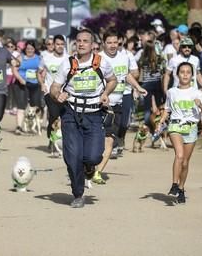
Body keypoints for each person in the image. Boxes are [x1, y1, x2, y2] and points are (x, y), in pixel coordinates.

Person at [50, 29, 117, 208]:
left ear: (93, 45)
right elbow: (54, 87)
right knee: (72, 157)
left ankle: (89, 167)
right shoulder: (68, 64)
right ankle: (78, 193)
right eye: (78, 41)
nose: (81, 44)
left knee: (94, 156)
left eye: (85, 41)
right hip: (71, 113)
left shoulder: (101, 63)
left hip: (94, 115)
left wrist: (105, 93)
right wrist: (58, 95)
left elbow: (112, 80)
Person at [92, 31, 146, 185]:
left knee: (110, 140)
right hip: (100, 104)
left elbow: (126, 74)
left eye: (115, 42)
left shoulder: (124, 56)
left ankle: (97, 172)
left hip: (118, 104)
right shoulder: (98, 59)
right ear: (103, 43)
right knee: (96, 139)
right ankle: (89, 164)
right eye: (109, 42)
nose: (113, 45)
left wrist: (137, 86)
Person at [156, 62, 202, 204]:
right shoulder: (172, 92)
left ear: (192, 75)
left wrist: (200, 105)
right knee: (179, 155)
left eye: (188, 72)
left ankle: (181, 188)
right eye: (182, 72)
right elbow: (167, 109)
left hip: (191, 128)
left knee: (185, 163)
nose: (185, 74)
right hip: (175, 126)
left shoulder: (197, 93)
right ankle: (174, 185)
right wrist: (161, 122)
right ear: (177, 74)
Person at [40, 35, 68, 147]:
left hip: (65, 93)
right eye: (58, 44)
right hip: (50, 93)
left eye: (62, 44)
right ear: (53, 45)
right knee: (54, 116)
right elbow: (39, 72)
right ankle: (52, 140)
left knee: (65, 119)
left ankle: (64, 141)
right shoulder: (46, 58)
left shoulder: (69, 58)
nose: (60, 46)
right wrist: (42, 84)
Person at [12, 40, 44, 135]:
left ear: (35, 49)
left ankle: (32, 126)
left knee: (35, 106)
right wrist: (20, 79)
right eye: (28, 48)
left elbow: (42, 70)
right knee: (21, 106)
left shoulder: (39, 58)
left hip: (35, 84)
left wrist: (42, 80)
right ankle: (19, 127)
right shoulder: (20, 58)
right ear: (25, 49)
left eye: (31, 49)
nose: (29, 50)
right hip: (21, 84)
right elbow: (14, 69)